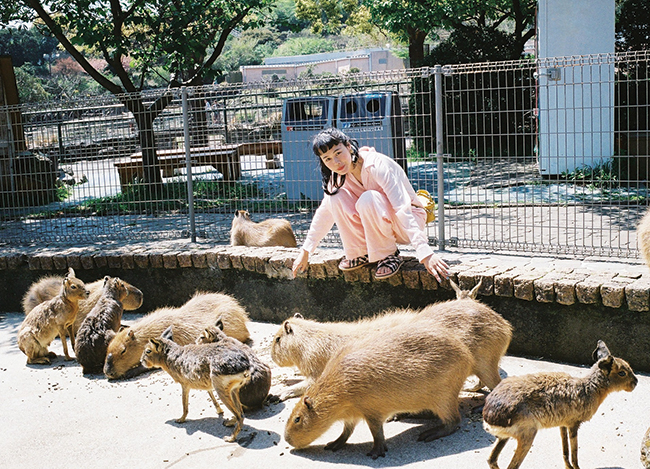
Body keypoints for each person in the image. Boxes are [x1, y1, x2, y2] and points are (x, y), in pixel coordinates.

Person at [292, 128, 449, 281]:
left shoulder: (376, 165)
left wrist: (425, 252)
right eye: (327, 159)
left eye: (338, 153)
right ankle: (360, 253)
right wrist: (305, 251)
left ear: (348, 146)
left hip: (406, 222)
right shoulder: (338, 178)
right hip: (381, 223)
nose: (336, 162)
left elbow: (402, 209)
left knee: (369, 198)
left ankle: (388, 255)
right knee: (334, 198)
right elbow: (324, 214)